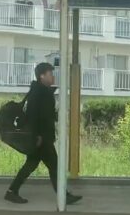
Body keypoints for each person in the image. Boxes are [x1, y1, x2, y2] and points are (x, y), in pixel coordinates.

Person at [5, 62, 82, 205]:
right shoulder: (38, 93)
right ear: (42, 76)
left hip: (43, 137)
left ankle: (12, 191)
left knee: (33, 165)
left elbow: (45, 115)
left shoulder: (42, 92)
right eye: (50, 74)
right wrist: (36, 136)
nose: (53, 77)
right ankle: (63, 196)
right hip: (41, 138)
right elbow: (33, 116)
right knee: (53, 166)